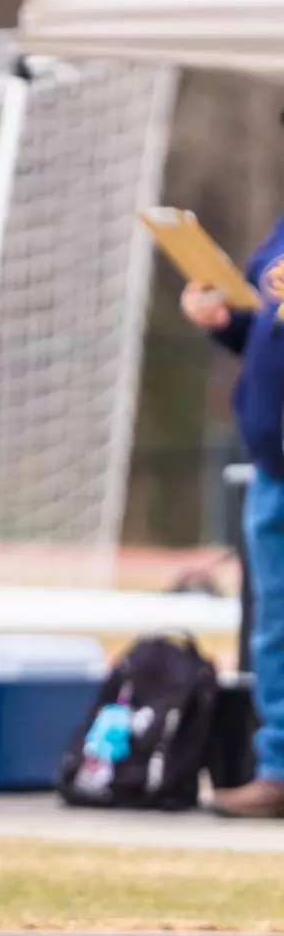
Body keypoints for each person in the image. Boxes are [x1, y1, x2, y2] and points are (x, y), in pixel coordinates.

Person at [184, 209, 284, 818]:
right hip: (273, 464)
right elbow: (259, 323)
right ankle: (279, 771)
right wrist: (223, 319)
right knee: (275, 626)